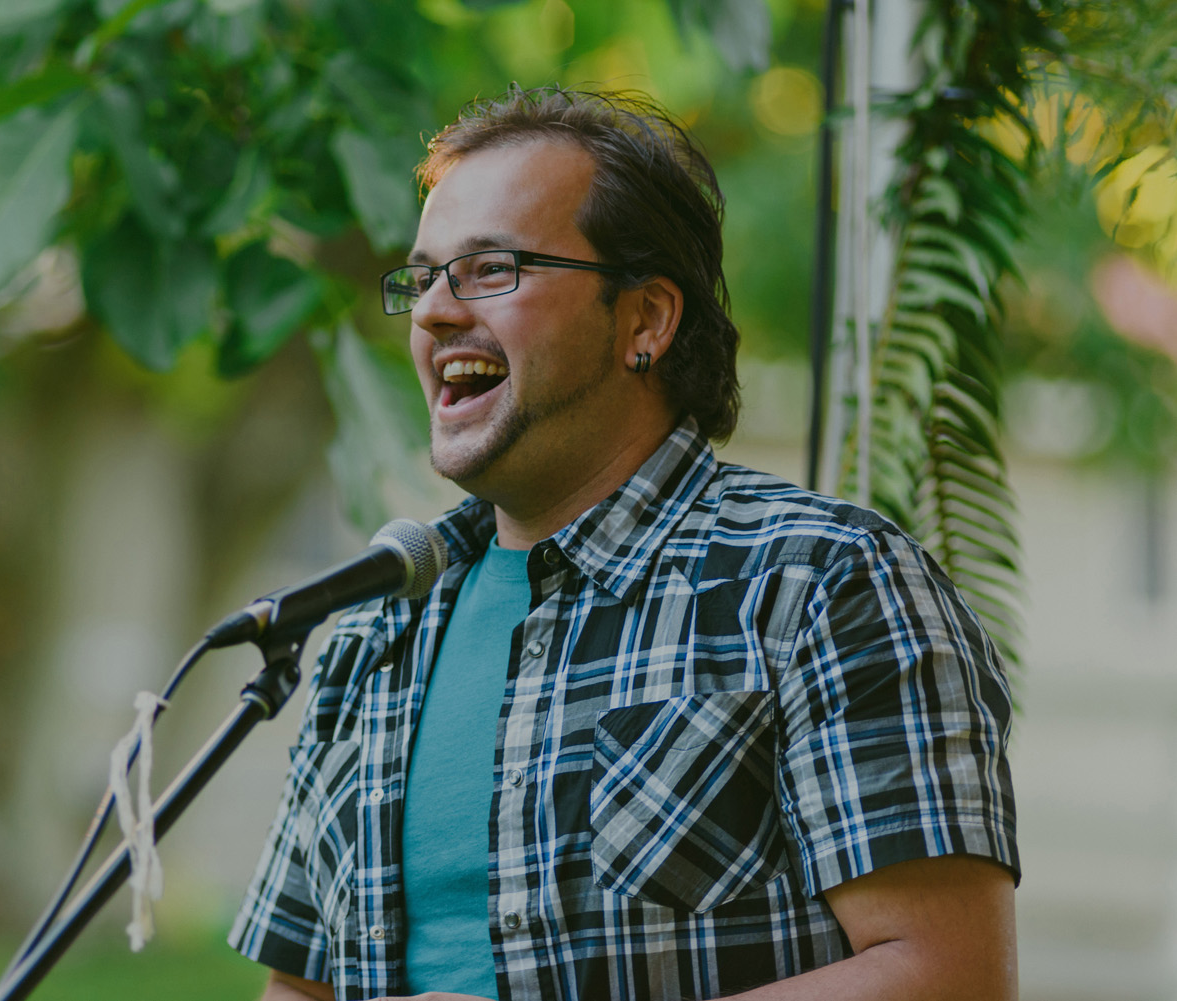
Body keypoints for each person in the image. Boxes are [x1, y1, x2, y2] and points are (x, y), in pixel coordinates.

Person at [228, 85, 1018, 1001]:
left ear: (645, 319)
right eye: (425, 277)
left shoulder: (822, 583)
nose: (436, 313)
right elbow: (298, 990)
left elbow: (949, 977)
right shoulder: (375, 630)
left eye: (491, 270)